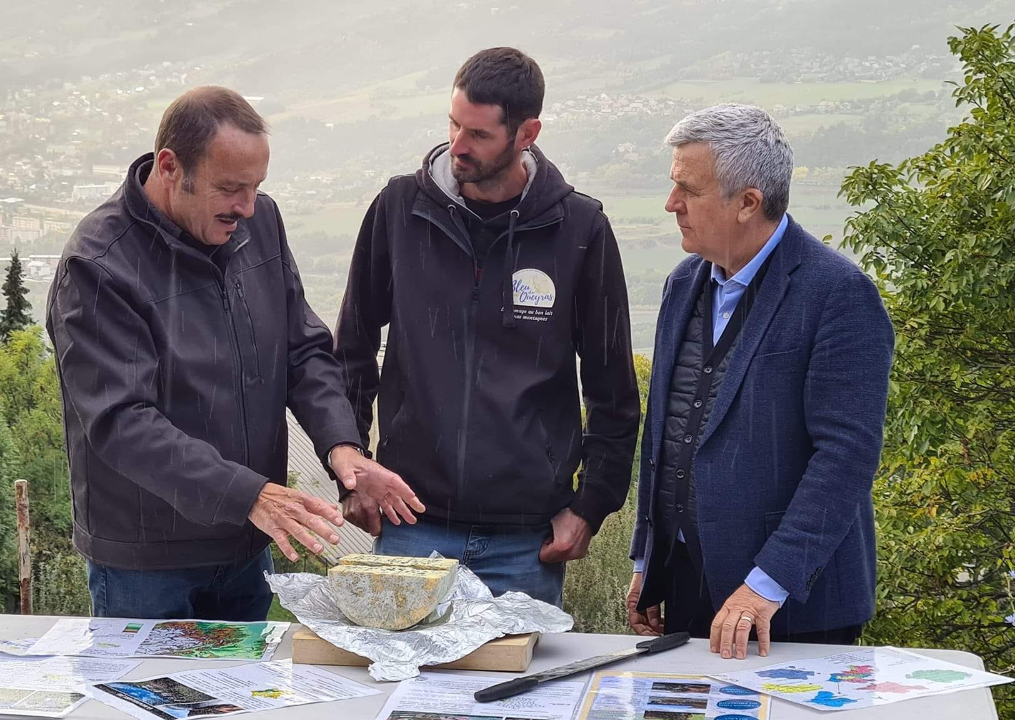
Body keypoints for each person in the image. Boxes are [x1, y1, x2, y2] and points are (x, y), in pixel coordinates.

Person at [47, 86, 422, 621]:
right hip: (146, 565)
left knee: (245, 702)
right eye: (229, 189)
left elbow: (304, 350)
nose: (247, 208)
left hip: (246, 547)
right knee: (149, 702)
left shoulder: (258, 225)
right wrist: (249, 494)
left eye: (256, 187)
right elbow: (122, 423)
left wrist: (343, 448)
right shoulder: (98, 266)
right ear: (171, 167)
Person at [333, 48, 640, 607]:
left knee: (517, 694)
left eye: (477, 133)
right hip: (410, 525)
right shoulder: (400, 210)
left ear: (527, 132)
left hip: (528, 542)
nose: (458, 145)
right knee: (401, 691)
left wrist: (590, 507)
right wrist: (351, 468)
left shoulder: (579, 229)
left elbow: (613, 390)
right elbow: (351, 348)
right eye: (453, 124)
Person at [626, 104, 894, 659]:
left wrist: (766, 584)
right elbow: (667, 431)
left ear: (749, 202)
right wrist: (647, 560)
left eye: (688, 190)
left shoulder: (838, 294)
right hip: (685, 585)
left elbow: (845, 457)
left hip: (793, 605)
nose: (672, 203)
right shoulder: (684, 282)